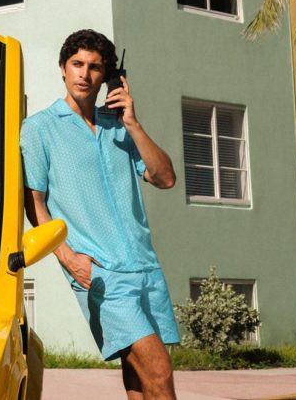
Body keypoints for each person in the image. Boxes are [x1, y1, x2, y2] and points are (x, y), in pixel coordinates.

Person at [20, 29, 180, 400]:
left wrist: (133, 124)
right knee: (159, 371)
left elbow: (165, 178)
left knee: (140, 379)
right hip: (100, 272)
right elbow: (35, 203)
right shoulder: (40, 129)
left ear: (107, 75)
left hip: (144, 266)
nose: (84, 74)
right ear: (63, 68)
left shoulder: (118, 126)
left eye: (94, 67)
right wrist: (69, 259)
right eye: (77, 64)